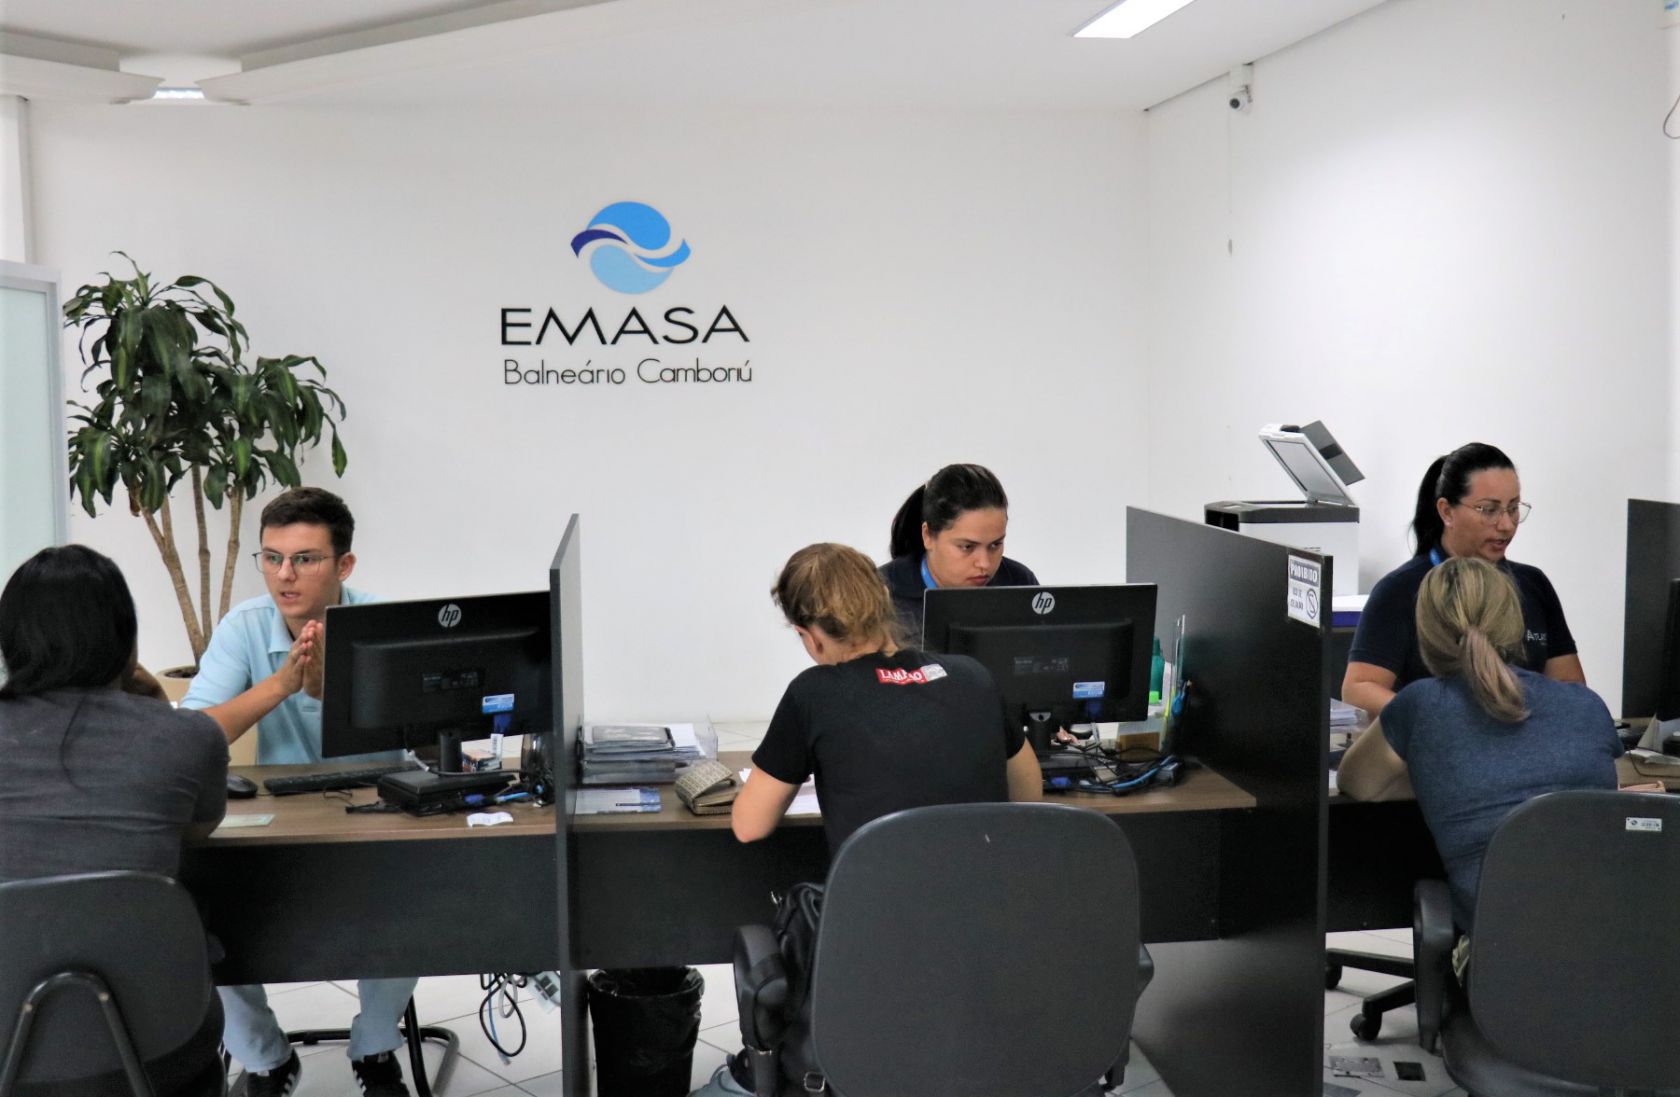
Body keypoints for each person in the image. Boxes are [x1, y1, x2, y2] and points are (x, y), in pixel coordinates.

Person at [692, 542, 1041, 1097]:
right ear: (883, 603)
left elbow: (749, 825)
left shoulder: (813, 694)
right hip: (985, 951)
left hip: (876, 961)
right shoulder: (973, 676)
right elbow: (1027, 794)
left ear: (810, 636)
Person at [181, 487, 414, 1097]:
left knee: (418, 897)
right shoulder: (244, 625)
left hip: (376, 817)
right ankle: (265, 1057)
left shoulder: (384, 623)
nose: (284, 575)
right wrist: (282, 685)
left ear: (344, 565)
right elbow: (191, 735)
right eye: (272, 557)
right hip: (282, 822)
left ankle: (376, 1047)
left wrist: (335, 693)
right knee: (197, 909)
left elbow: (428, 731)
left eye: (305, 559)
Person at [0, 545, 228, 1096]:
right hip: (160, 1046)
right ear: (126, 641)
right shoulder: (189, 737)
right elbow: (194, 829)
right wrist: (155, 706)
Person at [1337, 557, 1620, 934]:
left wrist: (1435, 772)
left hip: (1503, 954)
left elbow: (1356, 782)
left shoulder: (1421, 705)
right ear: (1515, 624)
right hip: (1617, 947)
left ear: (1426, 632)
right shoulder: (1588, 705)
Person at [1343, 443, 1584, 717]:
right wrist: (1441, 722)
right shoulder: (1401, 590)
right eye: (1488, 509)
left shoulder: (1533, 584)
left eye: (1513, 508)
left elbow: (1570, 686)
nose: (1506, 525)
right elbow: (1359, 688)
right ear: (1446, 511)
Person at [878, 463, 1040, 639]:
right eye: (967, 547)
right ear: (928, 536)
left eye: (995, 545)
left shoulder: (1020, 584)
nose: (984, 564)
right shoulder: (878, 594)